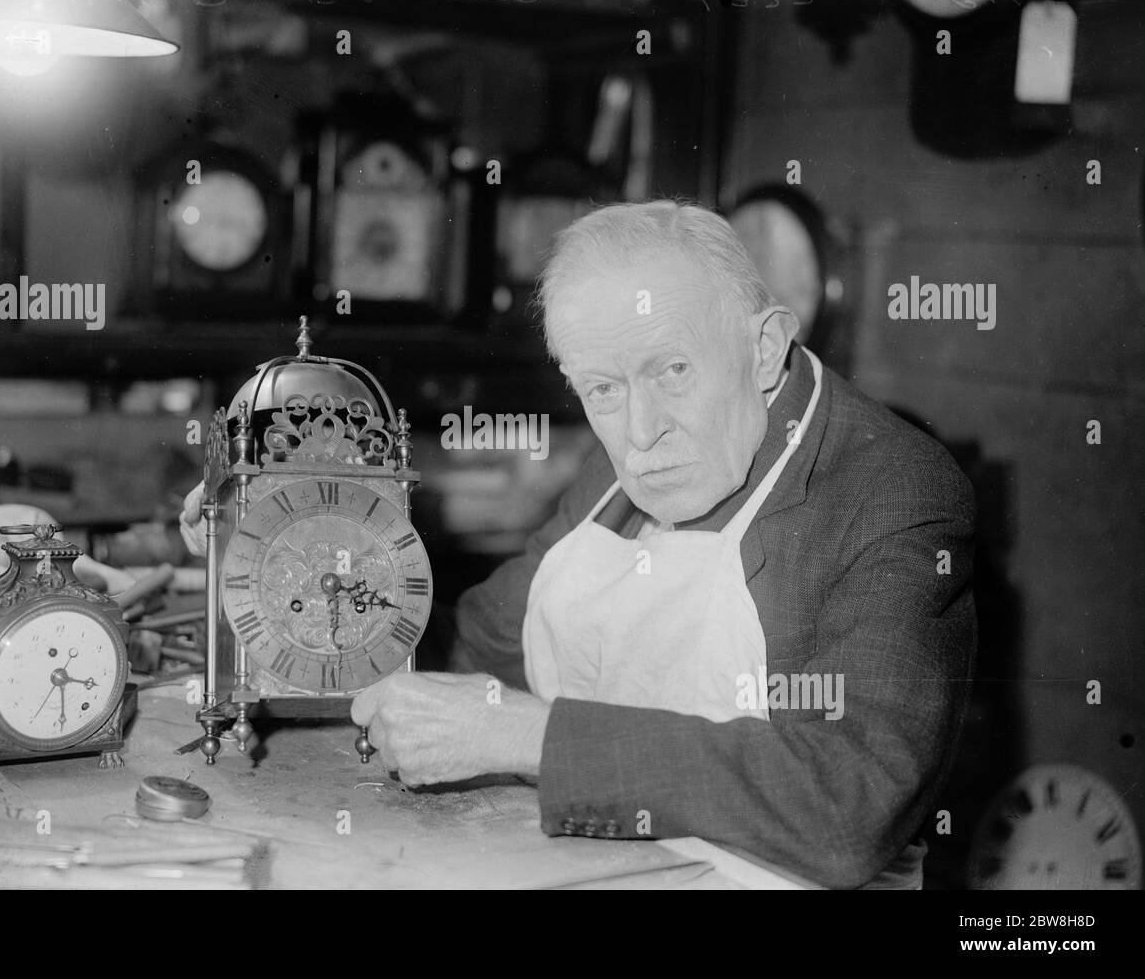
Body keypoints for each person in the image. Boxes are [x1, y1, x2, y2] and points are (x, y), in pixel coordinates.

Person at [180, 201, 977, 889]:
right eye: (600, 388)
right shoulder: (622, 462)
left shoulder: (892, 490)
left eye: (672, 370)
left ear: (763, 348)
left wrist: (525, 735)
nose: (639, 433)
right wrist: (291, 553)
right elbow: (477, 644)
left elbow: (850, 807)